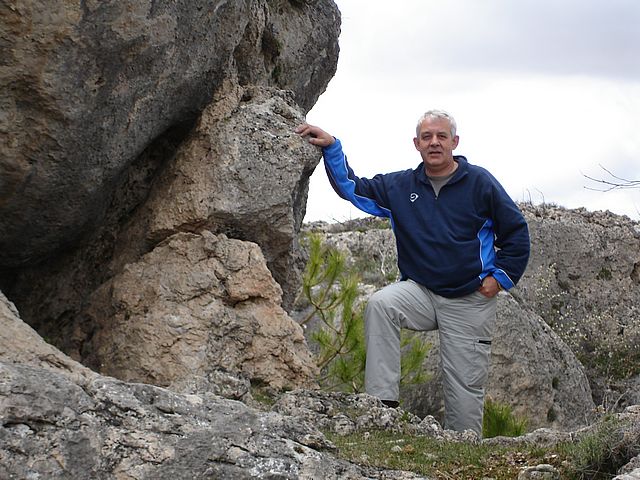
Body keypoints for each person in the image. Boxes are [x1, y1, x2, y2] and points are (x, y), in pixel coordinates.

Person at [296, 110, 530, 436]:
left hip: (469, 297)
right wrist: (332, 147)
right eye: (426, 137)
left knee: (464, 388)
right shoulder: (400, 186)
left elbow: (517, 234)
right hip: (420, 292)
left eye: (441, 136)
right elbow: (353, 188)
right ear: (416, 144)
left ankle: (463, 450)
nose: (434, 142)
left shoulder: (480, 183)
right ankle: (382, 407)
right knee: (381, 304)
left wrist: (499, 279)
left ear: (454, 142)